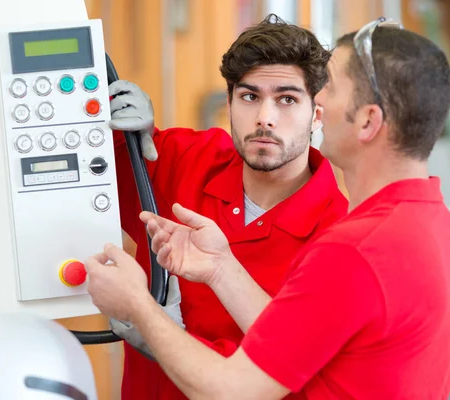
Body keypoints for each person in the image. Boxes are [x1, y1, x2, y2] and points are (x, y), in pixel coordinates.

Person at [87, 17, 450, 399]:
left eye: (328, 92)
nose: (321, 102)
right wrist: (222, 268)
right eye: (249, 96)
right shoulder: (449, 238)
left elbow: (234, 389)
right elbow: (299, 348)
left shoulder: (352, 250)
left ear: (366, 121)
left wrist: (142, 310)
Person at [108, 14, 348, 400]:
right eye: (250, 96)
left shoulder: (338, 237)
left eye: (287, 99)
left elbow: (289, 377)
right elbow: (88, 175)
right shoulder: (184, 158)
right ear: (230, 102)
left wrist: (158, 332)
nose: (265, 118)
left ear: (315, 115)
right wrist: (114, 125)